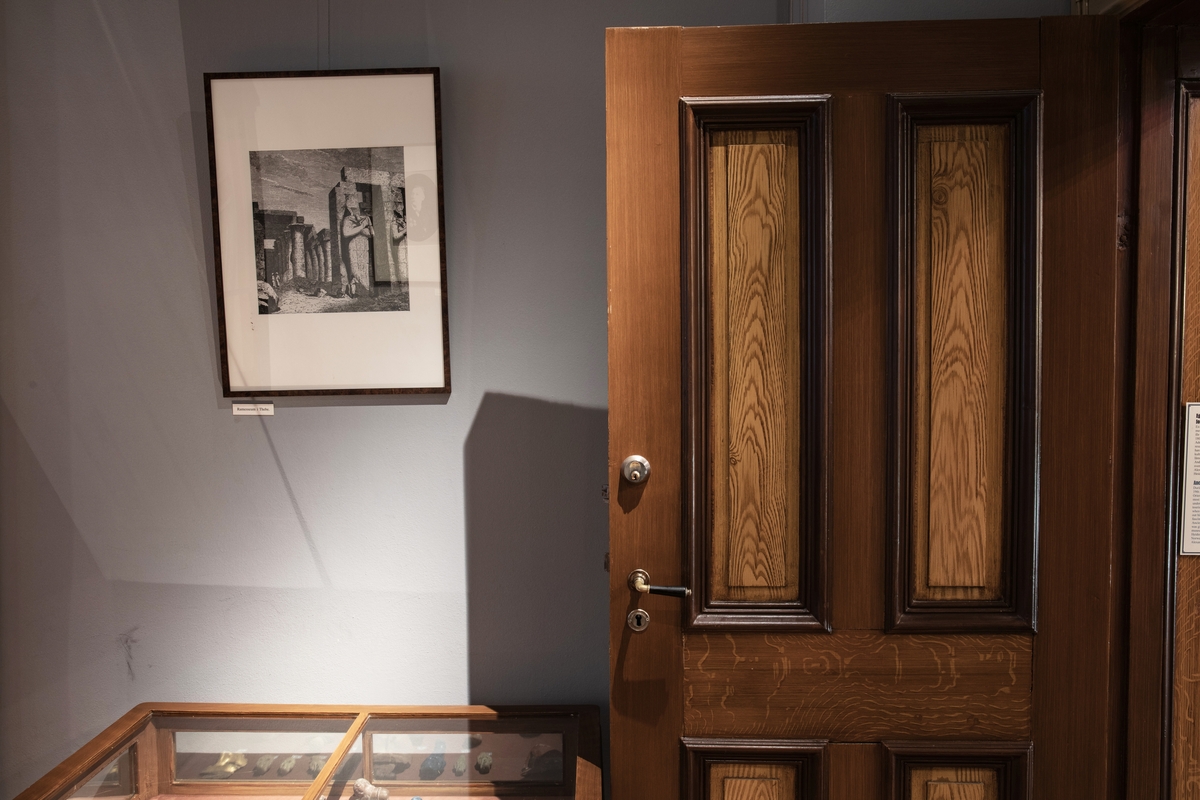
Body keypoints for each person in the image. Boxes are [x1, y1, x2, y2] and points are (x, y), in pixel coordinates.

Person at [340, 192, 373, 297]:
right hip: (353, 245)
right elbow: (346, 233)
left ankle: (364, 291)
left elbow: (371, 234)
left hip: (364, 245)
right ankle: (354, 291)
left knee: (364, 270)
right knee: (354, 269)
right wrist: (361, 226)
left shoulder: (365, 219)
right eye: (351, 207)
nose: (354, 209)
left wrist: (366, 225)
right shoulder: (347, 219)